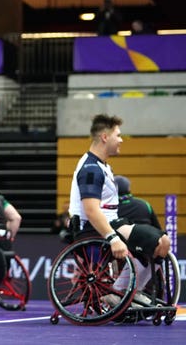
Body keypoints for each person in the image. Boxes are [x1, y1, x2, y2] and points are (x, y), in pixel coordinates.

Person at [68, 114, 170, 306]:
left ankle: (129, 291)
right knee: (159, 241)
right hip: (93, 229)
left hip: (112, 223)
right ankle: (120, 292)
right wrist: (113, 239)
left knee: (162, 243)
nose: (122, 139)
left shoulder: (101, 165)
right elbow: (91, 210)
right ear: (105, 137)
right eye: (118, 135)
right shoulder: (91, 168)